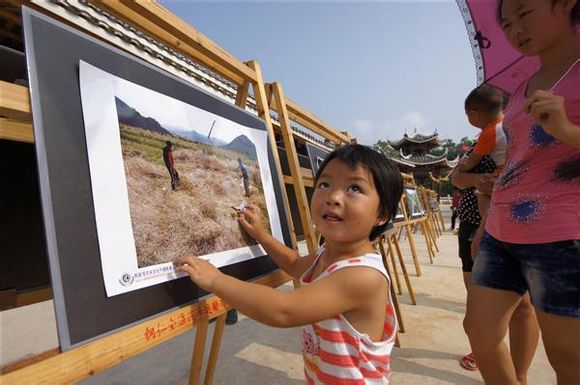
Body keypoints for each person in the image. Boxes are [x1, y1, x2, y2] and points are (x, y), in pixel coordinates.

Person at [176, 144, 404, 384]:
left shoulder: (363, 276)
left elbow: (283, 310)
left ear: (382, 214)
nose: (333, 198)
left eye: (354, 188)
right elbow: (295, 264)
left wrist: (215, 280)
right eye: (325, 184)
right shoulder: (329, 251)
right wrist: (262, 235)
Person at [465, 1, 580, 384]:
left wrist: (566, 128)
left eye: (524, 13)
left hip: (564, 235)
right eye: (506, 23)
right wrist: (485, 223)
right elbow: (517, 160)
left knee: (568, 359)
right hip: (501, 230)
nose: (514, 30)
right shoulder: (519, 90)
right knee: (480, 333)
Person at [452, 145, 539, 378]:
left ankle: (520, 377)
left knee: (524, 307)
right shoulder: (485, 141)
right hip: (492, 223)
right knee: (478, 324)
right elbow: (457, 178)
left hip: (538, 217)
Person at [457, 84, 507, 219]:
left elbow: (473, 160)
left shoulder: (490, 132)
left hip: (503, 171)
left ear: (473, 115)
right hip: (514, 169)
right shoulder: (509, 124)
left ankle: (487, 225)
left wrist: (464, 165)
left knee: (481, 193)